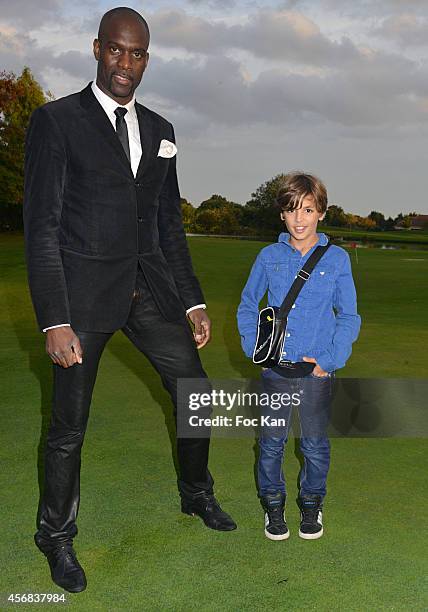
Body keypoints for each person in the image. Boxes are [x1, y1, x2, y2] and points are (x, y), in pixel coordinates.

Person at [24, 7, 236, 594]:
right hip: (83, 299)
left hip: (150, 290)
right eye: (117, 50)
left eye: (137, 53)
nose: (126, 63)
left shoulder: (163, 130)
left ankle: (197, 495)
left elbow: (169, 226)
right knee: (69, 426)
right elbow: (41, 227)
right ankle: (55, 535)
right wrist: (55, 319)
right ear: (97, 50)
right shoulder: (57, 121)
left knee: (195, 391)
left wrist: (190, 301)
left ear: (147, 59)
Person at [237, 172, 360, 541]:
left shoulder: (336, 259)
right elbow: (247, 304)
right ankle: (273, 506)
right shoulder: (268, 256)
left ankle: (311, 504)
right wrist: (253, 348)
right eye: (292, 210)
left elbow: (349, 315)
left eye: (308, 209)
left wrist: (330, 360)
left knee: (314, 445)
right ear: (282, 215)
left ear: (321, 212)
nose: (300, 218)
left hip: (315, 372)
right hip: (275, 370)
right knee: (271, 442)